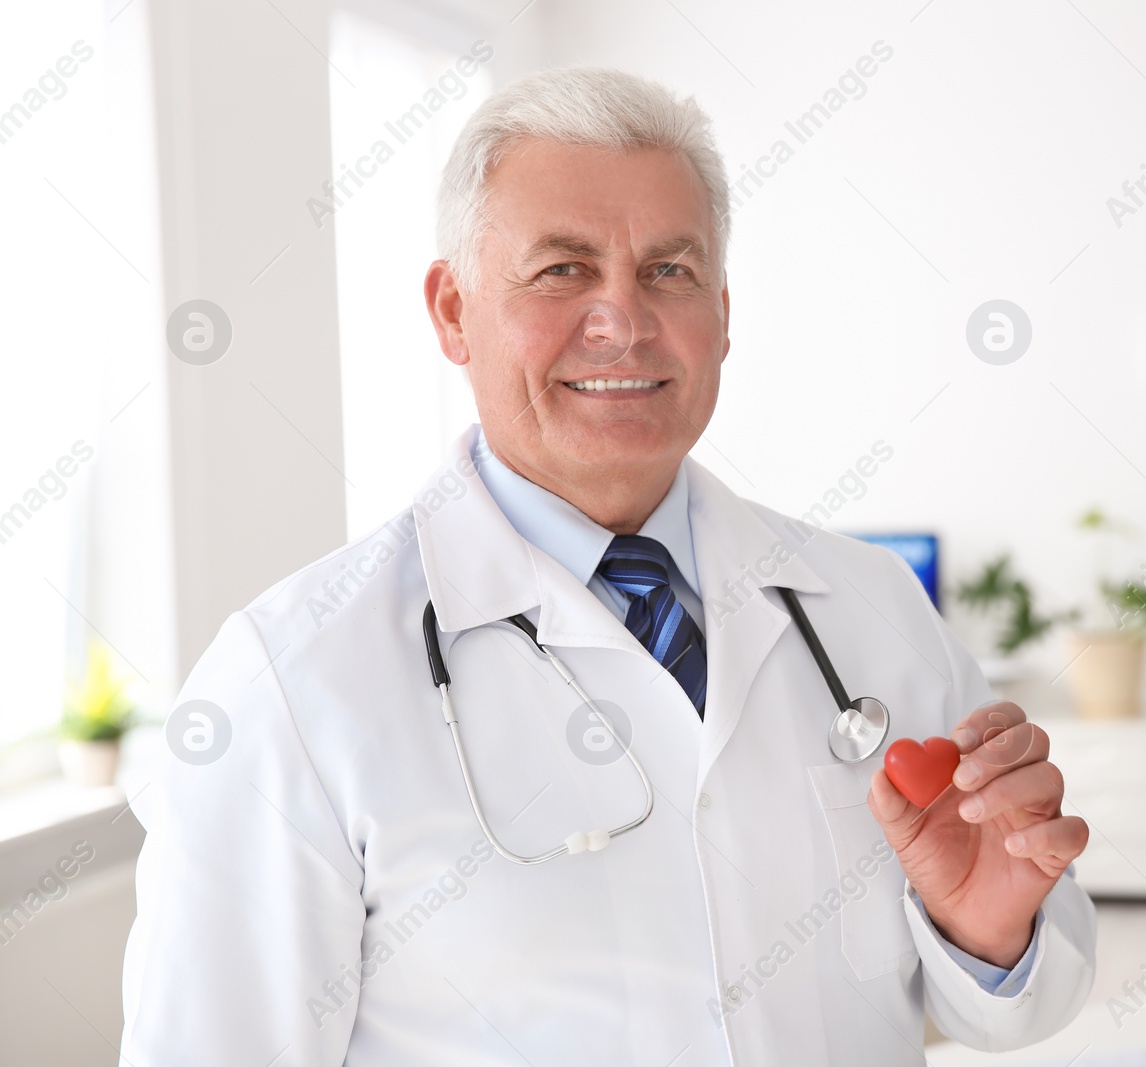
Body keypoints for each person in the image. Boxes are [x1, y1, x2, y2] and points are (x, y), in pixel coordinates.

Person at [121, 67, 1095, 1066]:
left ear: (722, 313)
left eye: (669, 271)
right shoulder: (287, 683)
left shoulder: (872, 608)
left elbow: (1025, 1000)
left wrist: (991, 934)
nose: (622, 320)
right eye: (561, 270)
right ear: (452, 310)